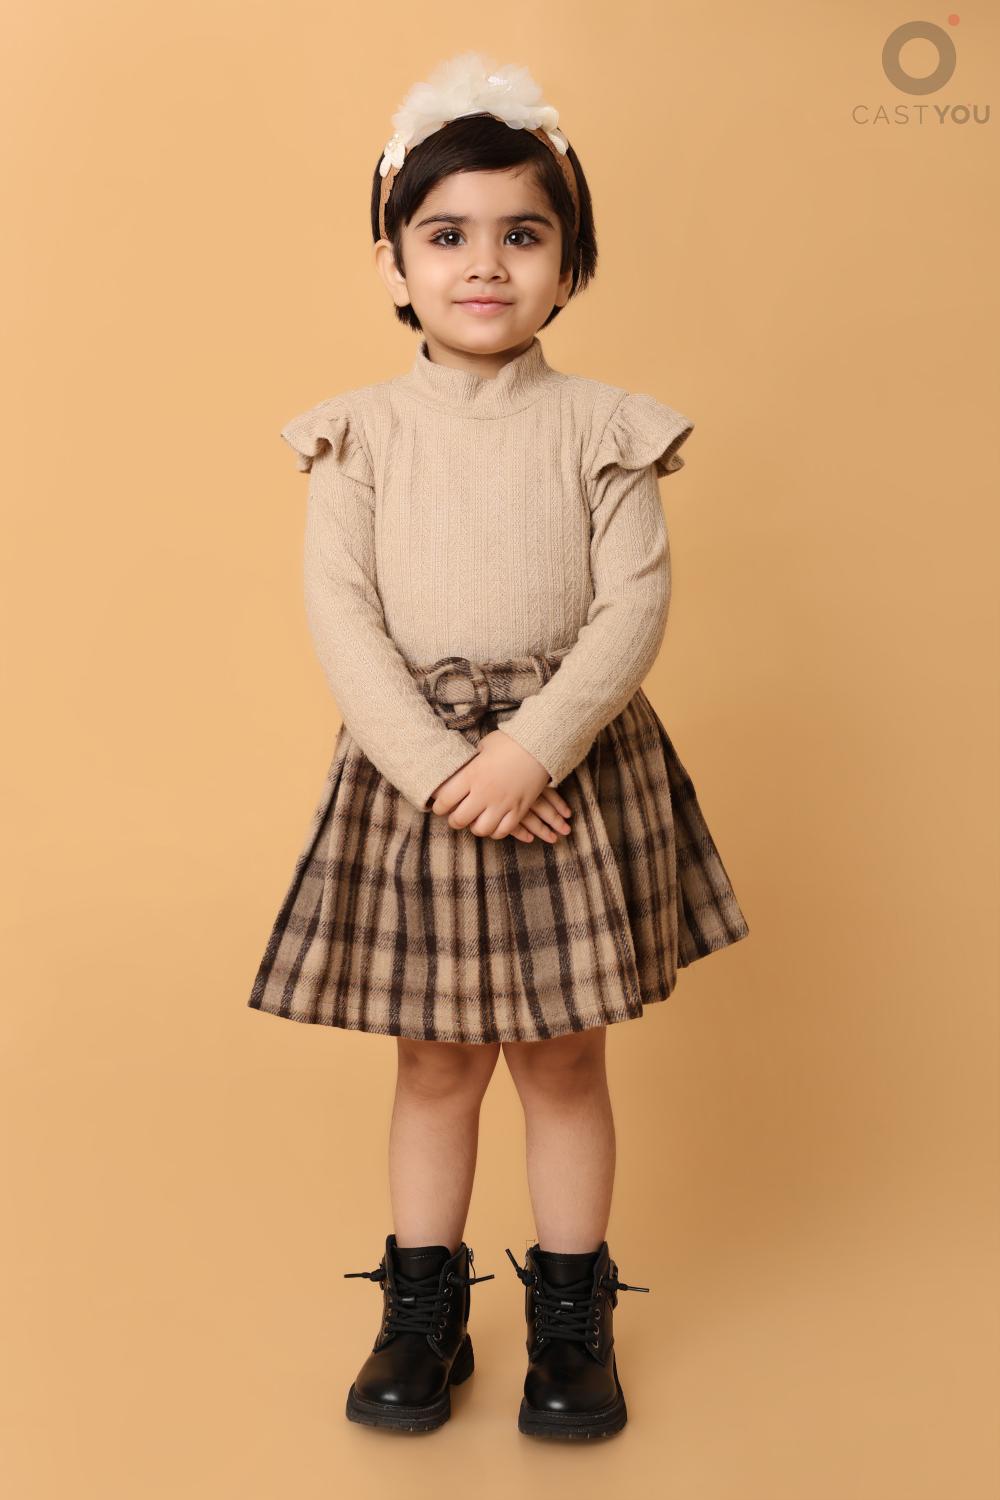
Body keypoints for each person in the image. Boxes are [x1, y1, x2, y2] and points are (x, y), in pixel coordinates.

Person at [248, 52, 750, 1440]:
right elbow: (342, 619)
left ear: (569, 266)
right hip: (414, 782)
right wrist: (442, 774)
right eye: (447, 234)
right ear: (394, 264)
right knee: (433, 1063)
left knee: (567, 1060)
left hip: (568, 776)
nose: (484, 264)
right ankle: (423, 1316)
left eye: (523, 234)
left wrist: (532, 752)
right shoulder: (356, 437)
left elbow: (634, 605)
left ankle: (571, 1324)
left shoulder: (607, 430)